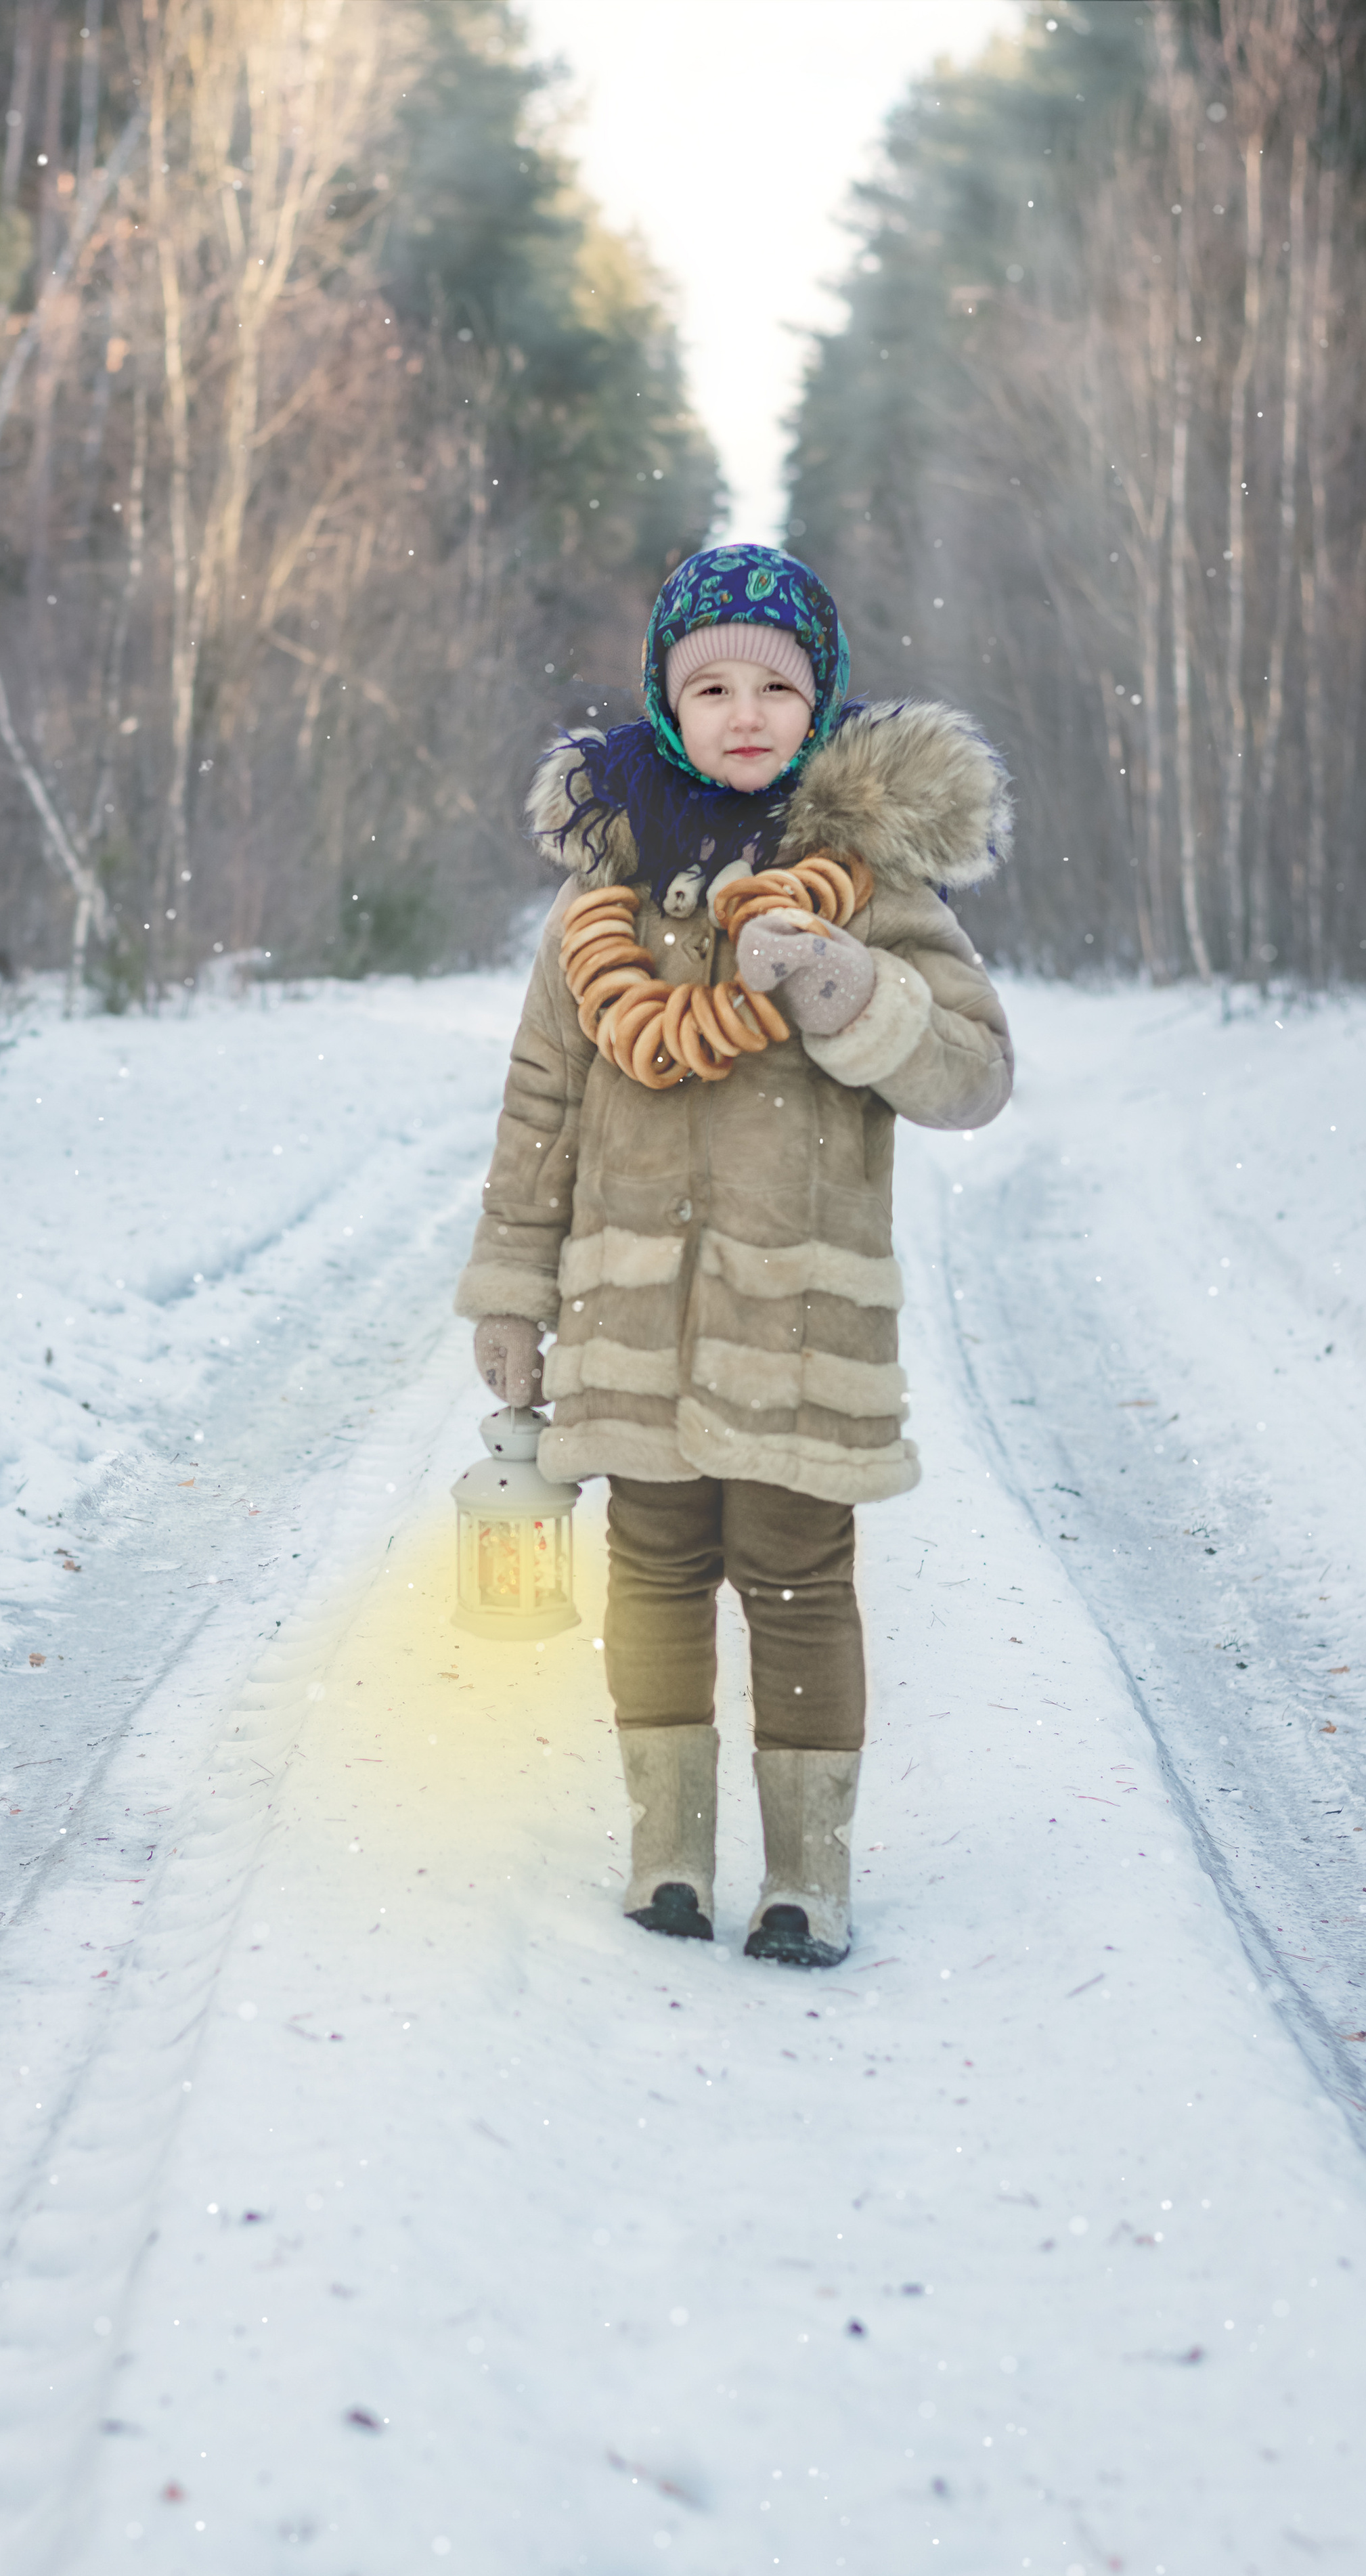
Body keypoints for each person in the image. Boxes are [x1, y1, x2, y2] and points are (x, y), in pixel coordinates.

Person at [454, 544, 1013, 1968]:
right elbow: (539, 1109)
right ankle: (668, 1856)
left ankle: (805, 1877)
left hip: (796, 1316)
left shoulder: (861, 885)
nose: (743, 711)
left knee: (794, 1572)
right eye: (709, 685)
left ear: (820, 705)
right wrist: (514, 1290)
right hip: (632, 1306)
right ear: (664, 700)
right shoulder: (610, 900)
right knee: (649, 1567)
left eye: (776, 683)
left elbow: (969, 1074)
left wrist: (843, 985)